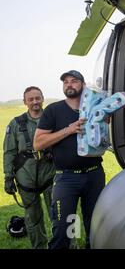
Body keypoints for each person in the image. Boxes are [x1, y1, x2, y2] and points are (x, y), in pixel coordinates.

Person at [33, 70, 106, 249]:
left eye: (74, 81)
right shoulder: (53, 110)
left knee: (96, 226)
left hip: (94, 175)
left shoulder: (96, 108)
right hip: (66, 178)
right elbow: (38, 143)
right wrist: (69, 129)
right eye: (65, 82)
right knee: (63, 228)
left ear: (83, 84)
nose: (69, 85)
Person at [3, 86, 55, 249]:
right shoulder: (16, 123)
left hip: (51, 176)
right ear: (25, 102)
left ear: (42, 99)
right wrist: (8, 177)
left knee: (61, 215)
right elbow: (9, 152)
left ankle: (67, 244)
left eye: (37, 98)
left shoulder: (53, 119)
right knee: (33, 219)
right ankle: (39, 246)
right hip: (25, 178)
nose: (35, 102)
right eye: (31, 99)